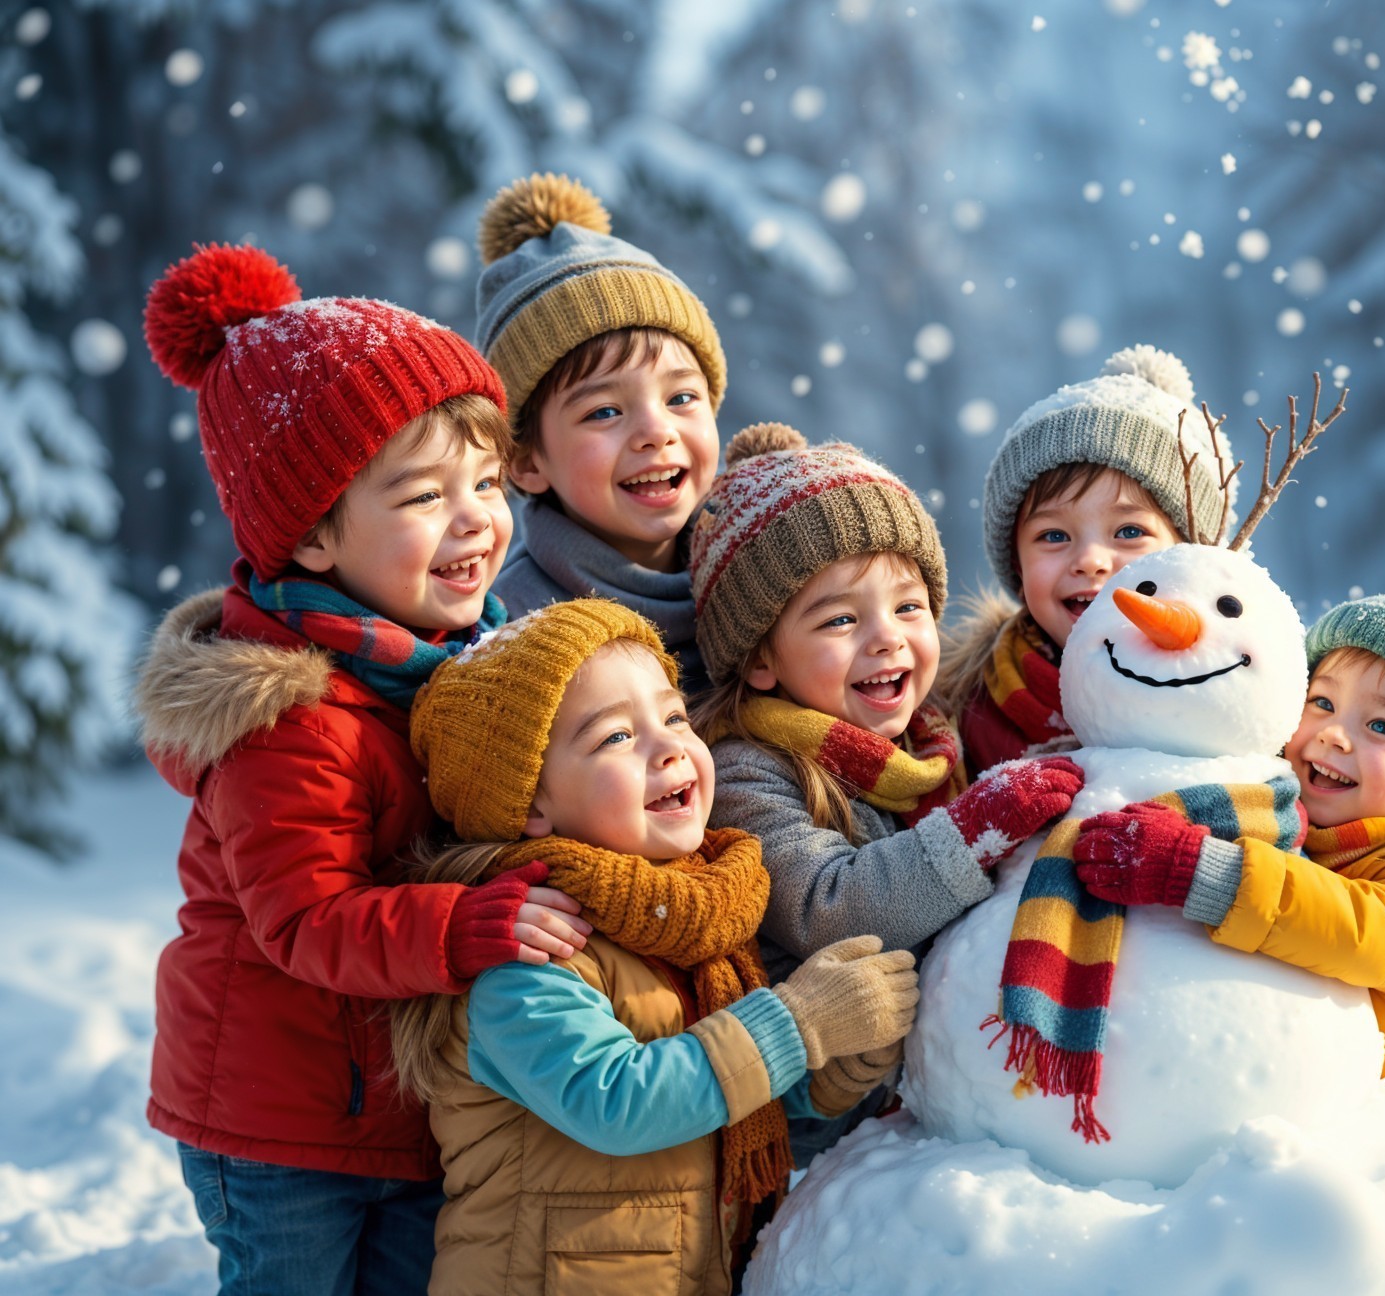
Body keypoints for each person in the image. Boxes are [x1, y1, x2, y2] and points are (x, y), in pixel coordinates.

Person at [135, 243, 586, 1294]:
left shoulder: (447, 671)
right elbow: (303, 918)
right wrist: (459, 927)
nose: (476, 515)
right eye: (425, 495)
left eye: (485, 479)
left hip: (393, 1106)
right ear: (316, 540)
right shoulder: (292, 722)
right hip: (279, 1124)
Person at [396, 599, 920, 1294]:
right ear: (530, 805)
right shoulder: (530, 948)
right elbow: (621, 1105)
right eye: (615, 737)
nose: (669, 746)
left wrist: (835, 1061)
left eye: (674, 717)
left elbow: (725, 1110)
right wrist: (797, 1023)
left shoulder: (699, 929)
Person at [1072, 570, 1385, 1169]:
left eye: (1383, 727)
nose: (1334, 734)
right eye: (1323, 702)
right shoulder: (1282, 822)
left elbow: (1358, 929)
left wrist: (1201, 871)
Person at [689, 421, 1084, 1161]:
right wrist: (975, 830)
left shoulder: (931, 745)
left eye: (907, 606)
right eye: (841, 618)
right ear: (761, 659)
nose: (887, 638)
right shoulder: (748, 772)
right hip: (822, 1127)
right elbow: (829, 909)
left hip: (929, 1102)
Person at [474, 172, 727, 686]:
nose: (656, 431)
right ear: (526, 460)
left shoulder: (762, 572)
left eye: (681, 398)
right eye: (604, 412)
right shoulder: (515, 632)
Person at [939, 345, 1237, 777]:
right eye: (1054, 535)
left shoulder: (1243, 690)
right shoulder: (964, 715)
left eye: (1130, 532)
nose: (1091, 561)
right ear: (1018, 568)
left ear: (1193, 554)